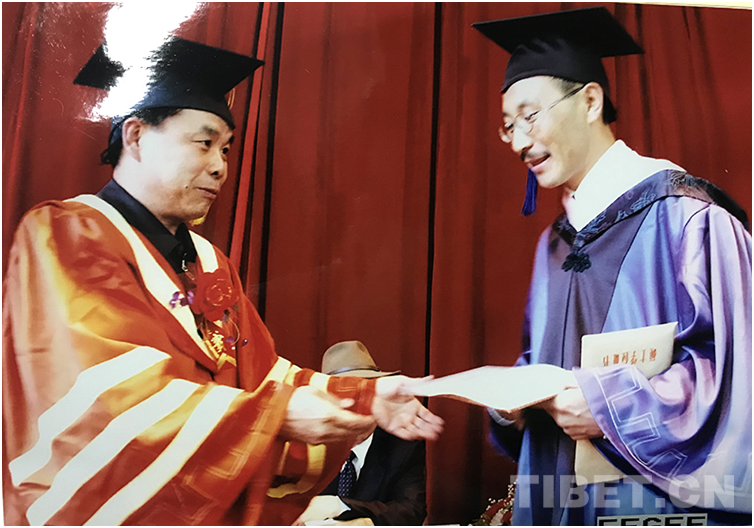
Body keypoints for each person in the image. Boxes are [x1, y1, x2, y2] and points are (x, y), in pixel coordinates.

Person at [2, 37, 443, 526]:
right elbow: (109, 397)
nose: (220, 166)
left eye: (227, 149)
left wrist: (365, 397)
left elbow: (264, 377)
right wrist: (279, 415)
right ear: (136, 136)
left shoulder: (210, 263)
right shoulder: (68, 232)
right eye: (204, 143)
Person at [472, 7, 752, 525]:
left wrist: (610, 407)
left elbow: (737, 378)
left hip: (650, 507)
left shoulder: (688, 218)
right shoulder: (554, 245)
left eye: (530, 117)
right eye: (508, 126)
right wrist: (513, 399)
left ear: (590, 101)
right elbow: (545, 360)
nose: (518, 141)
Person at [295, 341, 427, 526]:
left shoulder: (404, 448)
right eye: (345, 396)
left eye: (365, 394)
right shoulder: (304, 447)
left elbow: (411, 511)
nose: (357, 405)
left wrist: (340, 506)